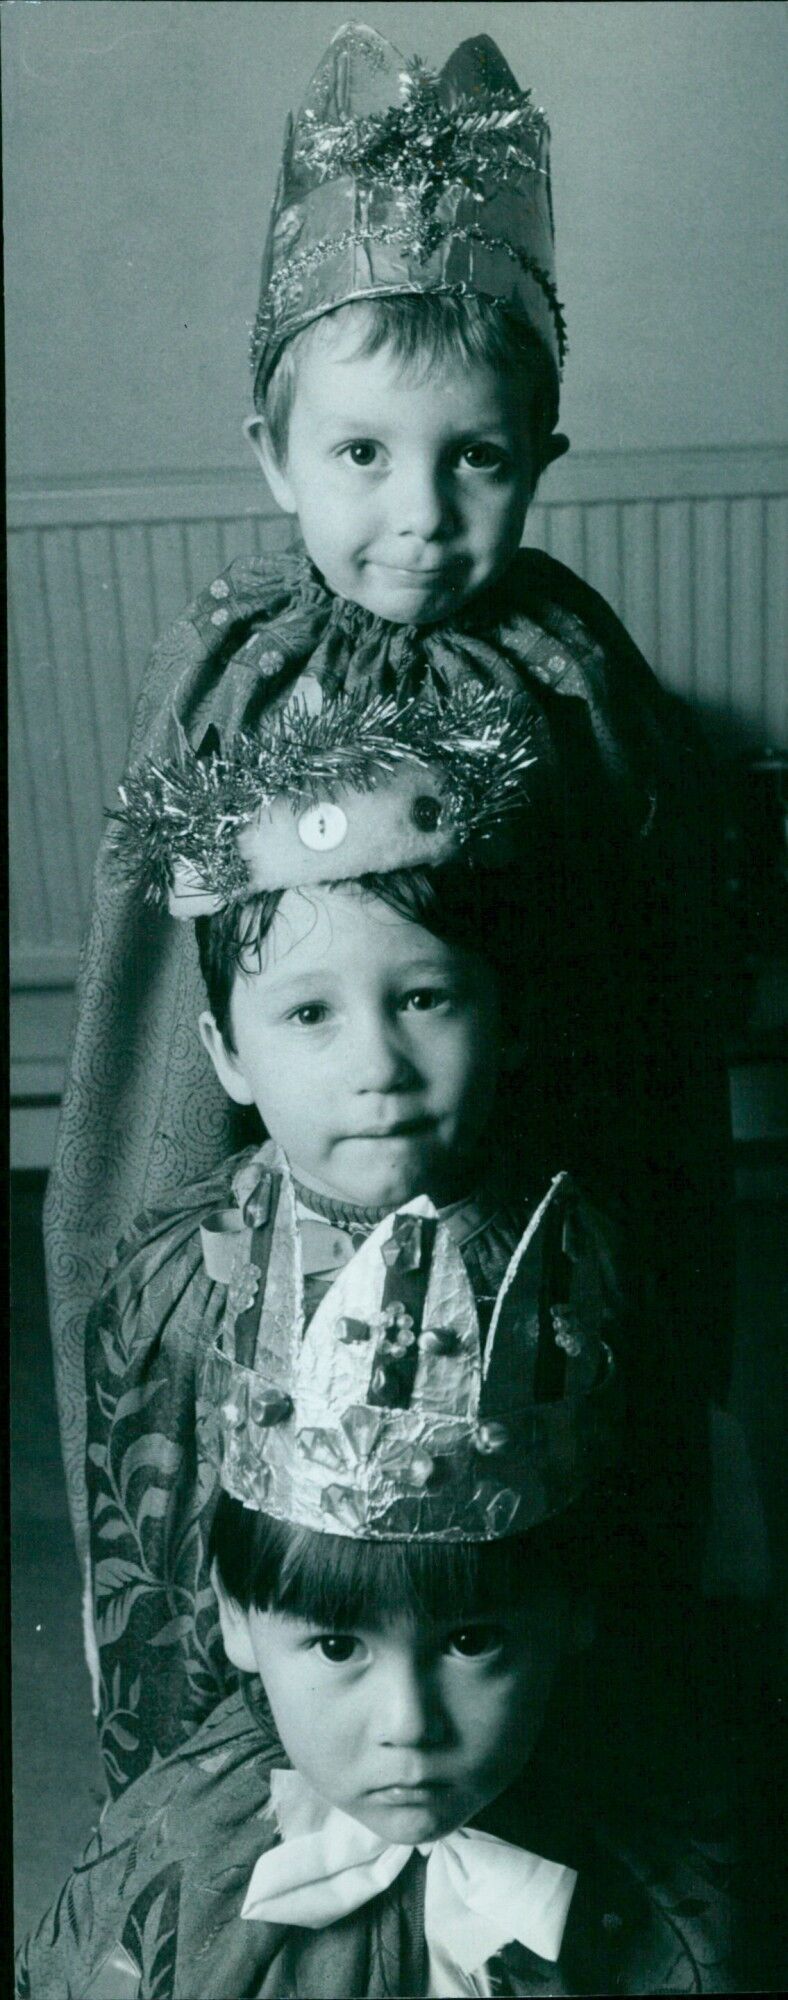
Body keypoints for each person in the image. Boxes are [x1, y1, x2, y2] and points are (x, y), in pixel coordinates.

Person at [44, 24, 734, 1613]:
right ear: (274, 459)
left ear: (541, 457)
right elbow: (176, 1012)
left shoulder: (569, 672)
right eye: (361, 453)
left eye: (476, 458)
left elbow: (633, 970)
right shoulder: (230, 669)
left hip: (520, 1162)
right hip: (286, 1170)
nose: (419, 516)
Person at [17, 1127, 737, 1998]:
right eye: (336, 1647)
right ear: (237, 1620)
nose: (409, 1725)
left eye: (471, 1642)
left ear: (571, 1609)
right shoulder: (168, 1863)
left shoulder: (683, 1905)